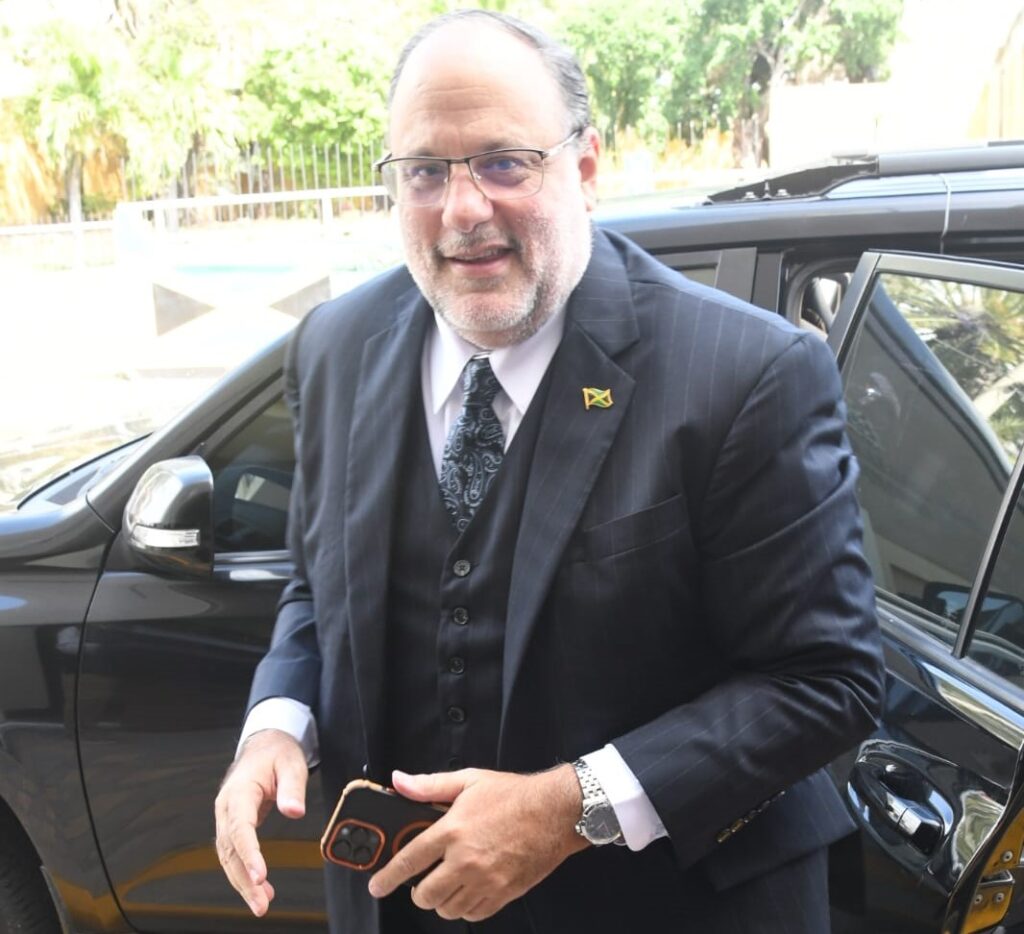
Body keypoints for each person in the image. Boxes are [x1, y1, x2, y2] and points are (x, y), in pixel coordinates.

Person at [214, 9, 884, 933]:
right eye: (425, 172)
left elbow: (824, 679)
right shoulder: (334, 347)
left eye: (503, 162)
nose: (462, 209)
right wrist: (276, 726)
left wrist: (572, 809)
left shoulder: (747, 375)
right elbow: (314, 589)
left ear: (586, 167)